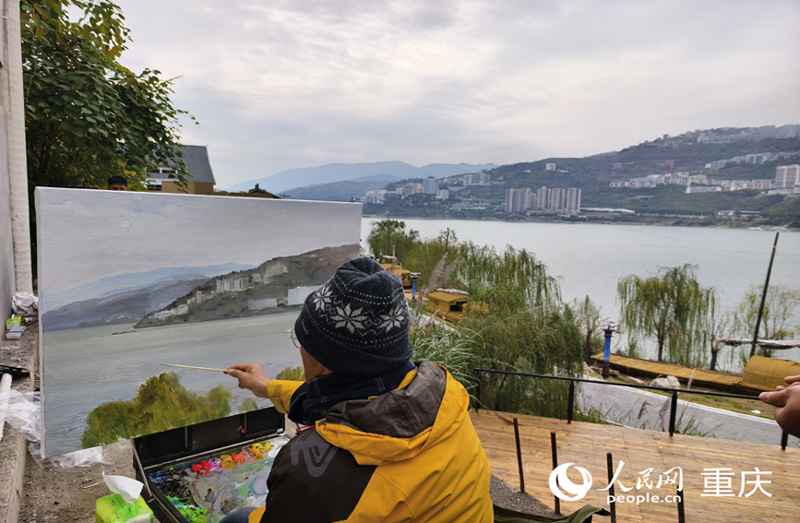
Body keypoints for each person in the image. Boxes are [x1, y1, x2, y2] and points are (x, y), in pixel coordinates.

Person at [223, 257, 493, 523]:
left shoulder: (311, 474)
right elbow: (340, 399)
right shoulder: (446, 394)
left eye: (301, 341)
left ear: (324, 359)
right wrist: (267, 388)